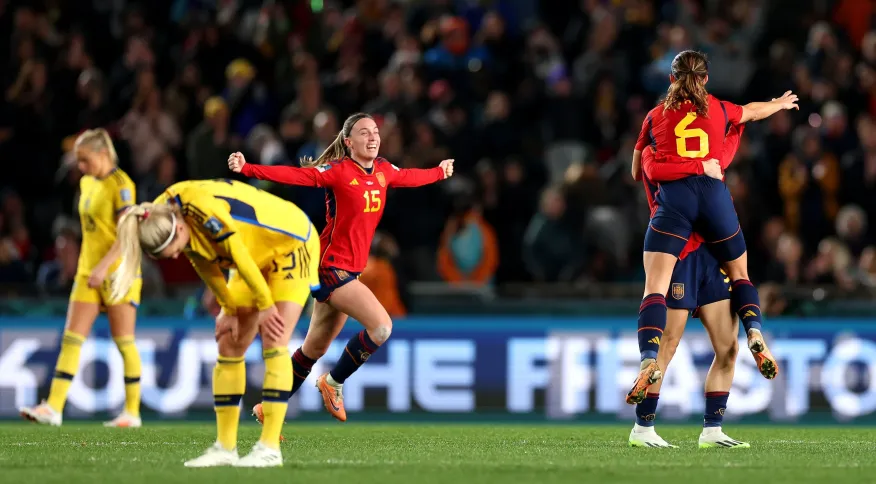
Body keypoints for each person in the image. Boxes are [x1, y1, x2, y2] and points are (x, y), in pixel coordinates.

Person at [229, 112, 453, 423]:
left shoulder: (384, 171)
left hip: (349, 272)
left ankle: (269, 408)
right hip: (331, 268)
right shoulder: (337, 172)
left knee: (312, 350)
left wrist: (439, 173)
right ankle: (332, 383)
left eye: (375, 131)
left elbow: (412, 177)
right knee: (382, 327)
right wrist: (248, 168)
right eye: (364, 133)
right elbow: (296, 176)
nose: (372, 137)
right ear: (348, 142)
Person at [110, 179, 319, 468]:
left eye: (170, 250)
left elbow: (237, 255)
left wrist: (265, 305)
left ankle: (269, 448)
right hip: (251, 252)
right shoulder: (159, 214)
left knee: (275, 338)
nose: (172, 257)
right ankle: (225, 447)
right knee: (229, 341)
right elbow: (201, 259)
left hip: (289, 242)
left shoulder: (202, 210)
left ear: (180, 229)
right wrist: (228, 307)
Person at [626, 50, 796, 404]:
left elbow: (642, 170)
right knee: (740, 281)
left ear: (671, 80)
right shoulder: (718, 114)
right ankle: (756, 333)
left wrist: (655, 156)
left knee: (662, 324)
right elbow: (748, 113)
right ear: (704, 79)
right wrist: (778, 104)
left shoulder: (656, 117)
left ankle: (646, 374)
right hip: (713, 220)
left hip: (678, 233)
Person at [628, 124, 758, 449]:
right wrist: (699, 165)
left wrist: (739, 122)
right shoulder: (655, 157)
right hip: (680, 254)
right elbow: (646, 168)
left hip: (713, 258)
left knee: (728, 348)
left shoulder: (706, 151)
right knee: (668, 345)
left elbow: (727, 147)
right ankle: (642, 428)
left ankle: (712, 431)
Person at [20, 129, 143, 428]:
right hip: (88, 272)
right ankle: (54, 407)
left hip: (118, 273)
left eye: (85, 160)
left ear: (103, 154)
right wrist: (88, 265)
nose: (81, 168)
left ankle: (132, 412)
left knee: (124, 342)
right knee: (72, 339)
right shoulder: (86, 183)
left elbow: (127, 234)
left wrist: (104, 266)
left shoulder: (122, 185)